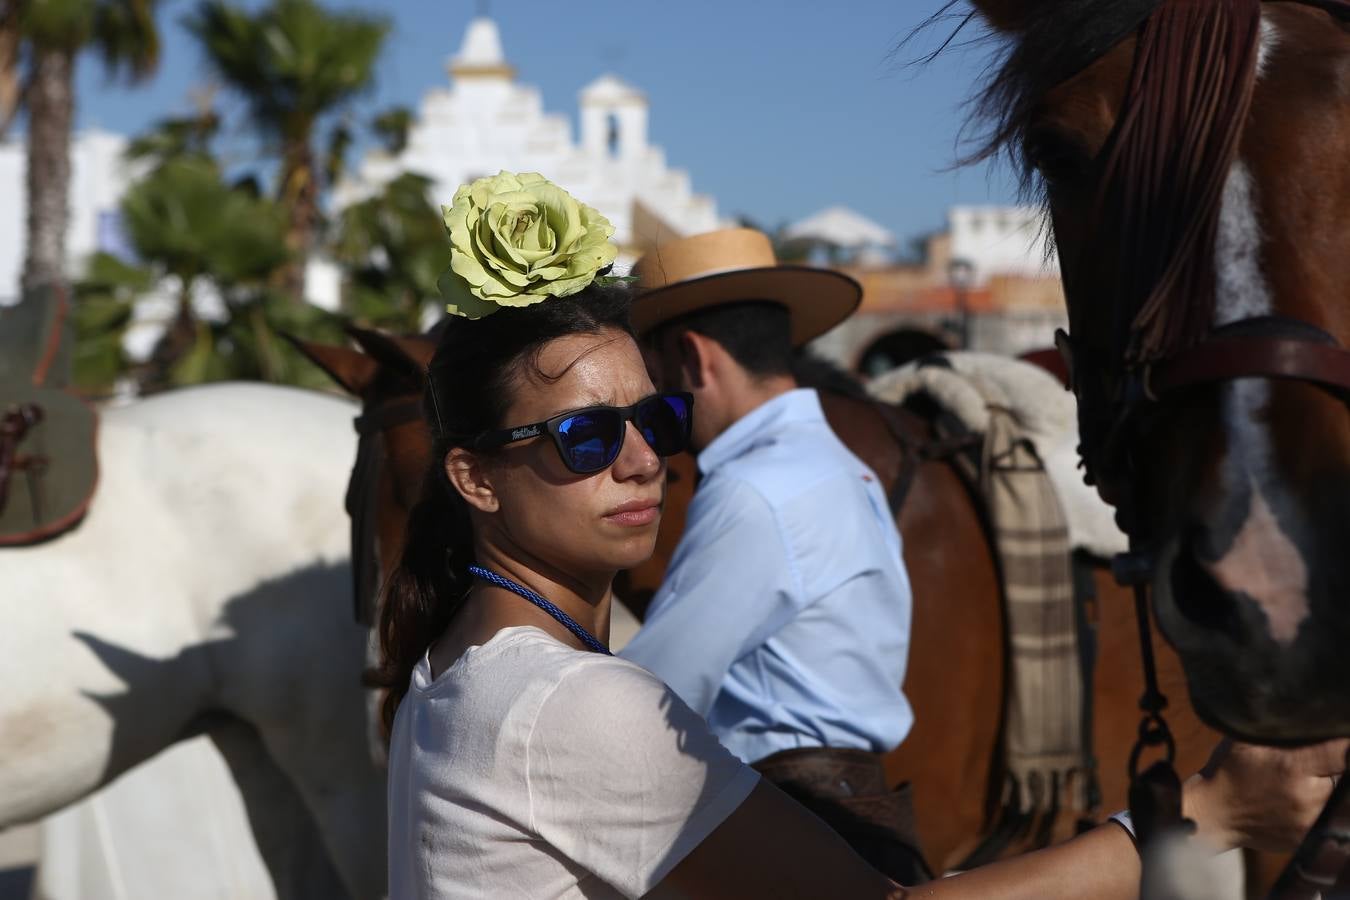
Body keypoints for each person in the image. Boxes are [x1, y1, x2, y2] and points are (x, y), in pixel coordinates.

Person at [378, 171, 1345, 900]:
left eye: (655, 423)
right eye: (586, 437)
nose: (642, 463)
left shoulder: (451, 668)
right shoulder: (577, 699)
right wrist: (1204, 818)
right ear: (471, 477)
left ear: (692, 364)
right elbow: (644, 704)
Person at [617, 228, 924, 880]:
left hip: (794, 826)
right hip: (854, 814)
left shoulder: (755, 488)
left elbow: (650, 697)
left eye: (662, 382)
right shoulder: (839, 467)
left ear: (694, 358)